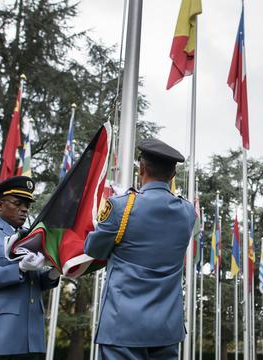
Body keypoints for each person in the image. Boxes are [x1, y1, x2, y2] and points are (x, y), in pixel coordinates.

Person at [86, 138, 196, 360]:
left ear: (141, 168)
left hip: (123, 325)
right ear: (173, 175)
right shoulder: (188, 212)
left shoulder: (121, 206)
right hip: (166, 327)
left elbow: (93, 249)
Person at [0, 175, 60, 359]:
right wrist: (19, 268)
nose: (24, 210)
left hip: (32, 340)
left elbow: (33, 284)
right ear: (0, 205)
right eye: (17, 203)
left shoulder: (30, 238)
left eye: (27, 206)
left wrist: (55, 271)